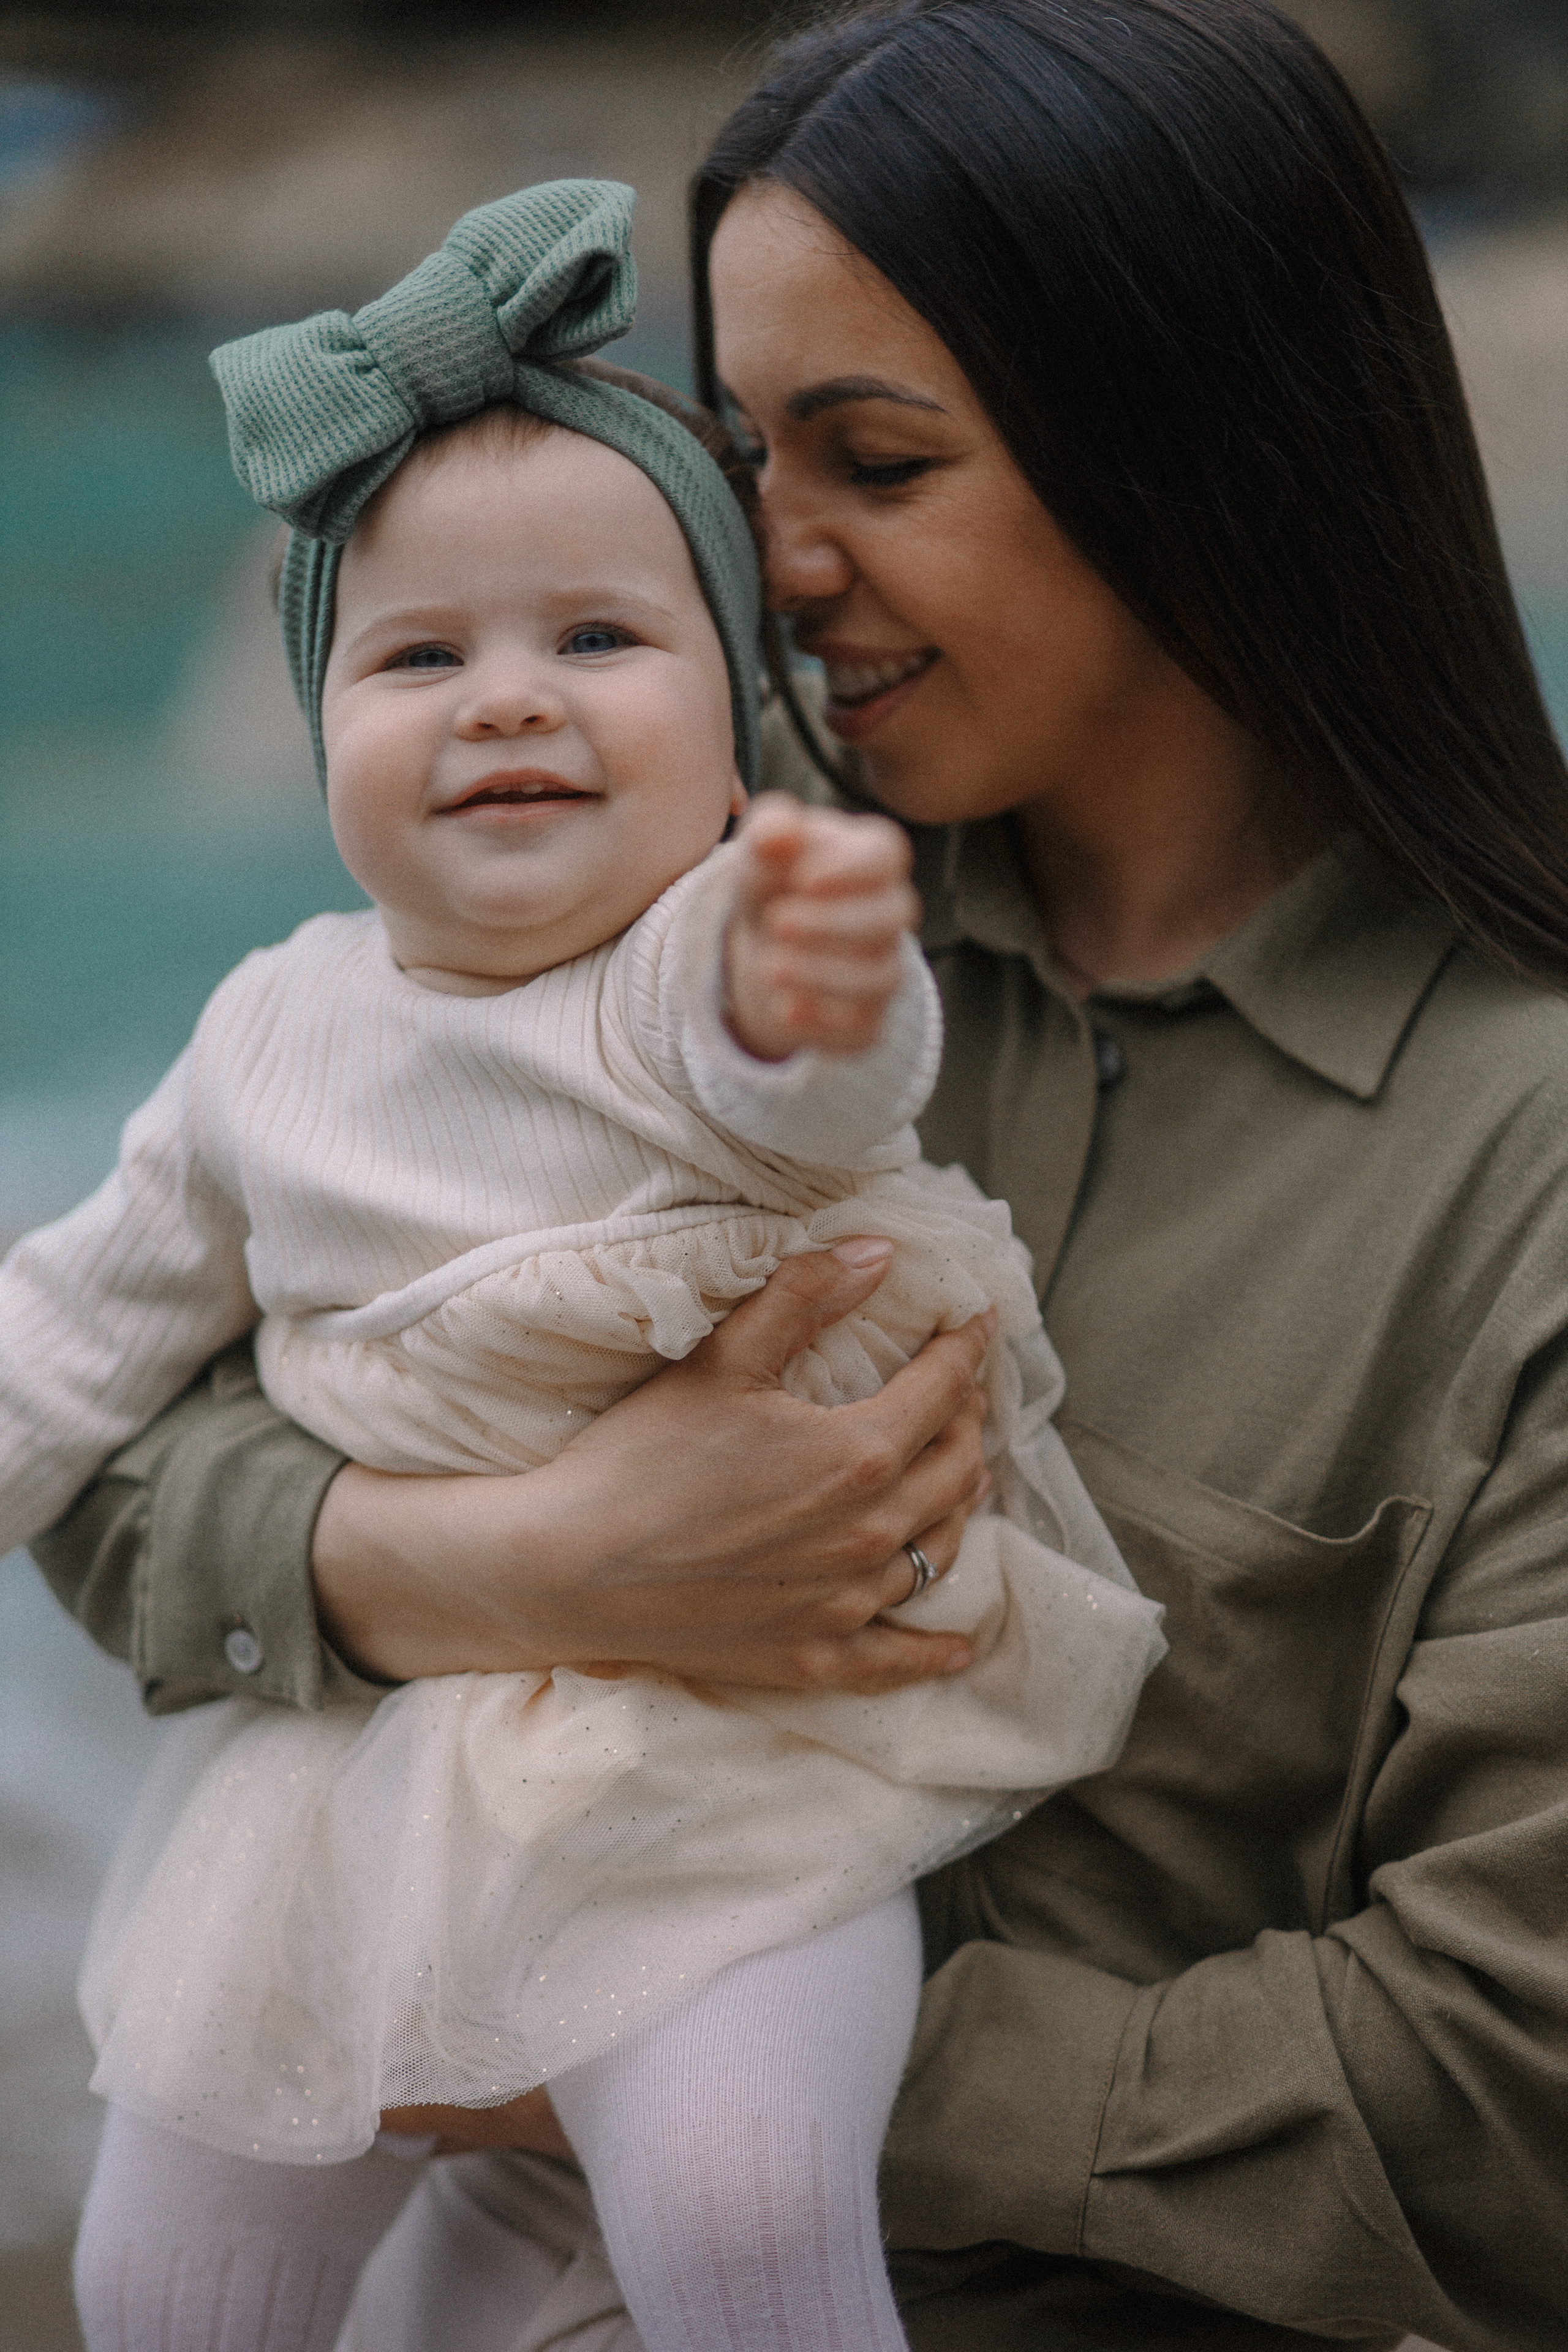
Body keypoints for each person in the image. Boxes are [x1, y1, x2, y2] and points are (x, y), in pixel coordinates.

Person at [31, 0, 1568, 2345]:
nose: (776, 555)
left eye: (873, 456)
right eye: (745, 450)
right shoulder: (629, 918)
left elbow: (1506, 2098)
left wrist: (650, 2036)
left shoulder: (1521, 1162)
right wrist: (491, 1561)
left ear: (1211, 450)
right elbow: (129, 1446)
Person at [1, 179, 1164, 2352]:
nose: (509, 701)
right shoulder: (270, 1029)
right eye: (420, 655)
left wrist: (820, 972)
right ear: (314, 732)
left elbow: (799, 1072)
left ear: (736, 739)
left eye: (599, 644)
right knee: (169, 2267)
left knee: (737, 2209)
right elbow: (74, 1326)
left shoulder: (679, 969)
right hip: (343, 1785)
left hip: (722, 1772)